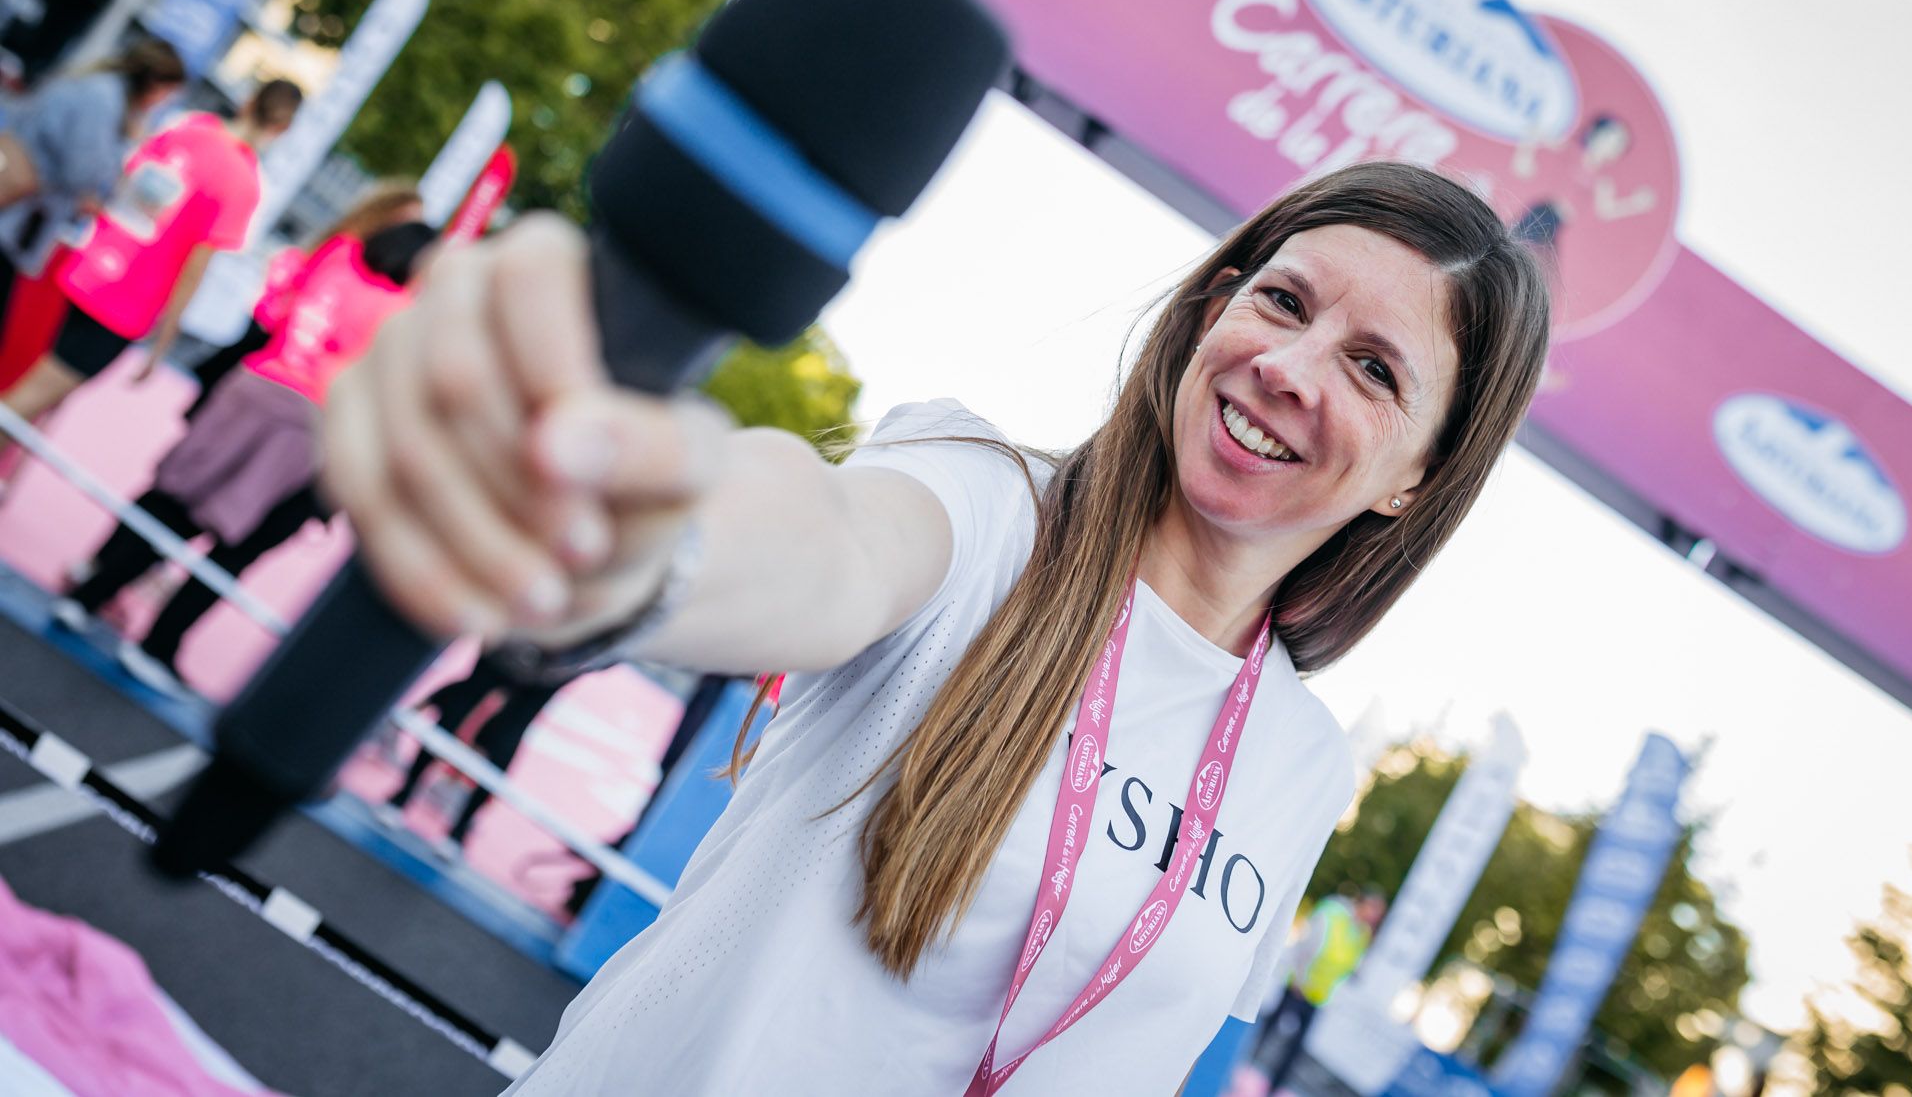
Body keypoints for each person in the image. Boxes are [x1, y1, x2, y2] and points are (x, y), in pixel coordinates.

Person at [322, 161, 1551, 1094]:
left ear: (1416, 478)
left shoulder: (1299, 759)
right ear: (1210, 308)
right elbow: (818, 545)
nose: (1290, 366)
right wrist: (624, 527)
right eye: (1281, 302)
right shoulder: (983, 503)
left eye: (1374, 368)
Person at [53, 217, 437, 691]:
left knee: (174, 503)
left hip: (252, 383)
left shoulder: (336, 261)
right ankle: (158, 642)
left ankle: (90, 593)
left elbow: (274, 308)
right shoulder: (399, 314)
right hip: (305, 423)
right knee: (237, 543)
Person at [0, 79, 301, 453]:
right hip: (126, 303)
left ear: (250, 100)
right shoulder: (244, 183)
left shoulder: (189, 129)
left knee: (34, 389)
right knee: (31, 396)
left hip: (88, 265)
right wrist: (164, 341)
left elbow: (127, 181)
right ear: (282, 127)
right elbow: (196, 267)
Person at [184, 183, 427, 419]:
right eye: (404, 219)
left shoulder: (354, 254)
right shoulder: (347, 248)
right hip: (280, 342)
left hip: (285, 347)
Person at [0, 37, 187, 292]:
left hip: (23, 209)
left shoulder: (105, 91)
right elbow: (81, 172)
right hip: (19, 210)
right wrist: (127, 143)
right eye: (167, 93)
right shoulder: (105, 100)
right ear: (154, 83)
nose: (164, 102)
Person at [377, 648, 568, 855]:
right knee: (462, 704)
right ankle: (403, 793)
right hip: (515, 639)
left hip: (561, 663)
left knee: (506, 735)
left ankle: (459, 828)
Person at [1259, 890, 1386, 1091]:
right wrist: (1299, 977)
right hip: (1299, 985)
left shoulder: (1361, 934)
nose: (1373, 918)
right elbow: (1308, 944)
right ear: (1362, 902)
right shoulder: (1334, 914)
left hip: (1319, 996)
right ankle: (1248, 1061)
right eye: (1373, 910)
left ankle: (1273, 1088)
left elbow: (1352, 968)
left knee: (1295, 1047)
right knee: (1272, 1027)